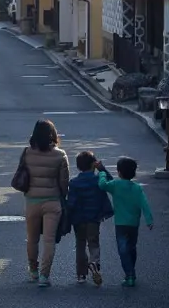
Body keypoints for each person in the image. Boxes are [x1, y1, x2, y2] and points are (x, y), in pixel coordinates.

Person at [20, 119, 69, 287]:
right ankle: (44, 276)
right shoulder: (60, 155)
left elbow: (22, 174)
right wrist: (63, 196)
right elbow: (64, 182)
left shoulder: (27, 152)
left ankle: (33, 271)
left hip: (32, 200)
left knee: (32, 239)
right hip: (52, 201)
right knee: (49, 240)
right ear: (52, 134)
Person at [99, 156, 154, 287]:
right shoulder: (137, 188)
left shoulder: (115, 185)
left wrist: (101, 172)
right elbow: (144, 204)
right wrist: (149, 219)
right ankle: (130, 271)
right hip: (134, 224)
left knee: (122, 249)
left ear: (118, 172)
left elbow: (102, 185)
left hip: (120, 224)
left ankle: (130, 274)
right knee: (131, 247)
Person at [65, 151, 112, 286]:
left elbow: (71, 202)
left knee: (80, 244)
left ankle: (81, 274)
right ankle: (94, 263)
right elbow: (111, 182)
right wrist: (102, 169)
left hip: (78, 219)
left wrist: (68, 215)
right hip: (94, 218)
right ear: (93, 165)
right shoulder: (98, 180)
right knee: (93, 242)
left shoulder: (74, 183)